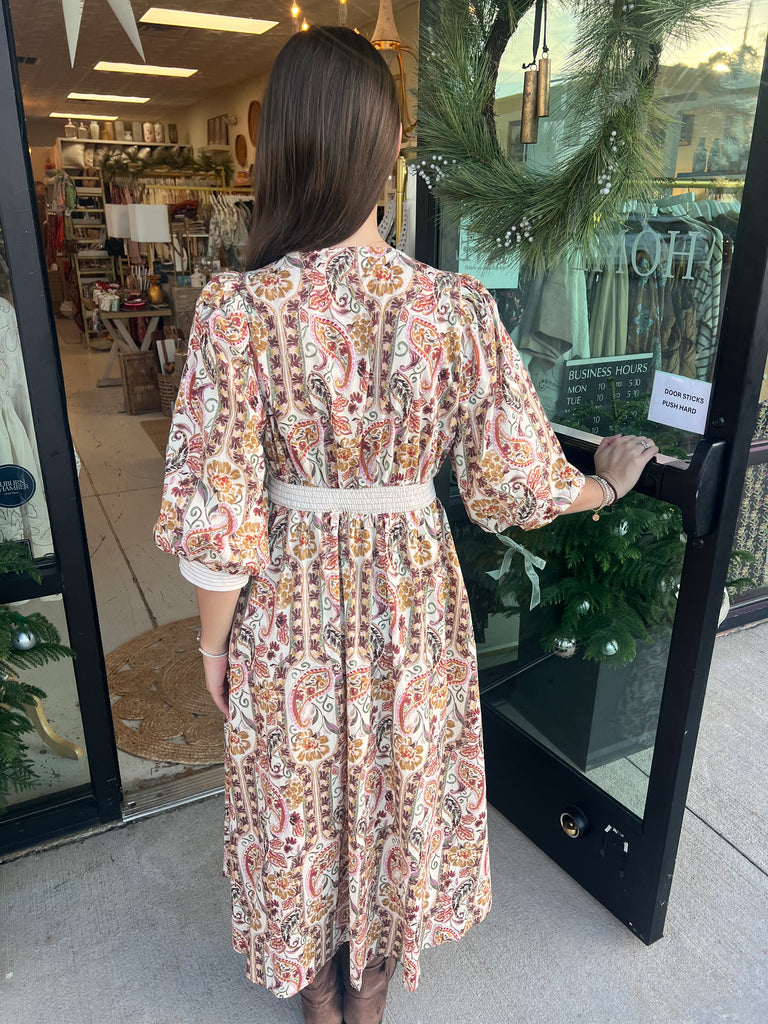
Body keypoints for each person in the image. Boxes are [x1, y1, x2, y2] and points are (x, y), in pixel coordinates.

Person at [153, 25, 658, 1024]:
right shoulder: (456, 310)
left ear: (281, 147)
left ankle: (316, 986)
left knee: (298, 787)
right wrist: (605, 487)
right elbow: (516, 484)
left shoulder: (237, 309)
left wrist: (214, 645)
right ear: (389, 149)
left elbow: (219, 511)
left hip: (287, 599)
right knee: (396, 780)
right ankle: (369, 986)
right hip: (411, 596)